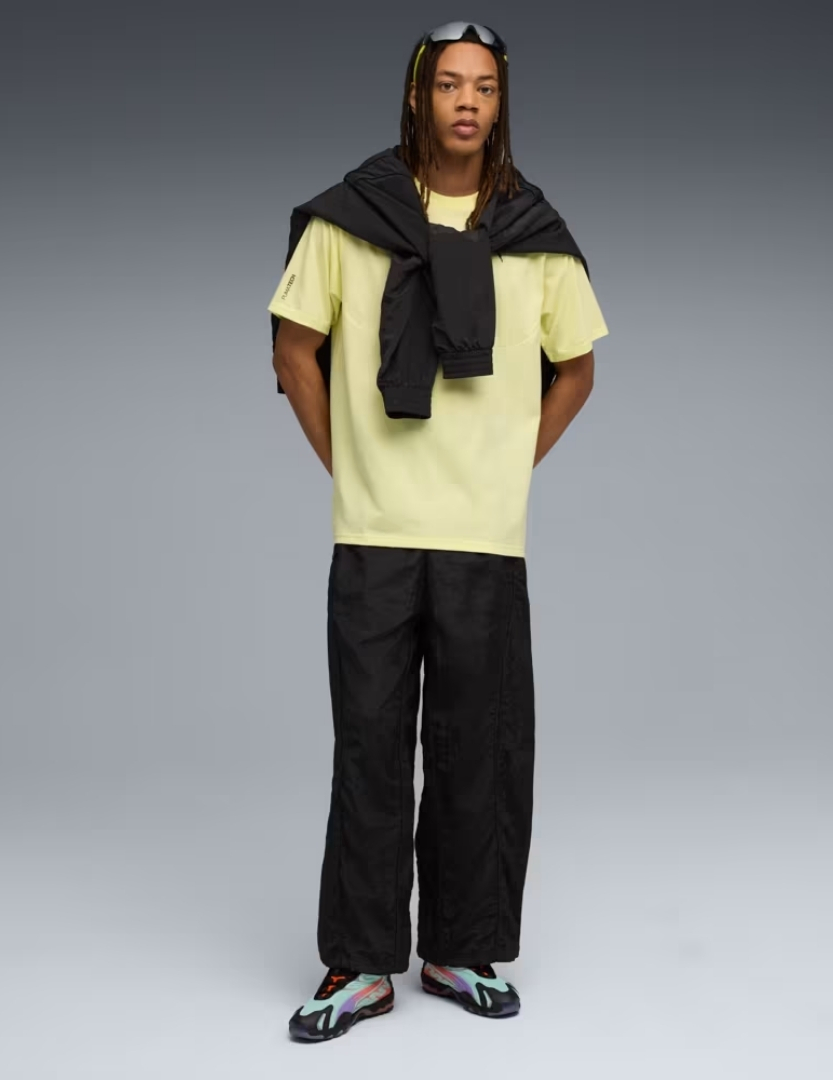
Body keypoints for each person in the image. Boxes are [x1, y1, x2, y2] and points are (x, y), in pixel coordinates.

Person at [267, 21, 608, 1042]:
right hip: (374, 529)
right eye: (450, 84)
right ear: (418, 97)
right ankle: (359, 965)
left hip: (485, 538)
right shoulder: (353, 217)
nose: (466, 102)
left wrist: (508, 468)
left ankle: (461, 948)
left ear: (501, 106)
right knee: (369, 748)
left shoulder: (532, 230)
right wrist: (350, 466)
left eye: (485, 88)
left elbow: (577, 368)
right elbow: (294, 348)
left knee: (481, 751)